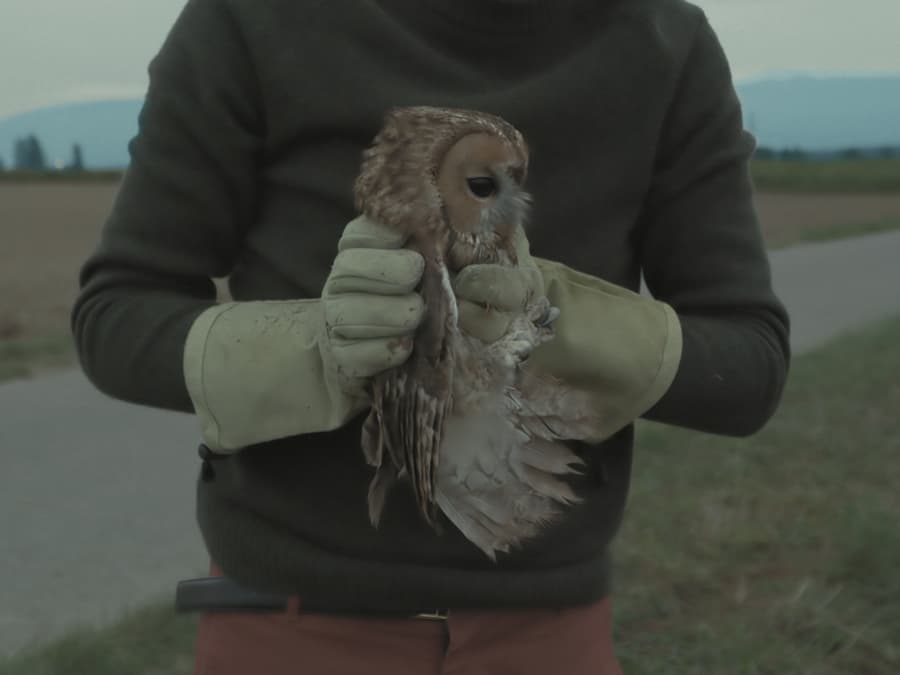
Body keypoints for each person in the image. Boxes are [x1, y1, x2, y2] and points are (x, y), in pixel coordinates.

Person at [71, 0, 791, 672]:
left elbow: (749, 363)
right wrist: (316, 351)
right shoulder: (251, 18)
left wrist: (554, 325)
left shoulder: (663, 41)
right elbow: (117, 315)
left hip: (547, 627)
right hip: (290, 621)